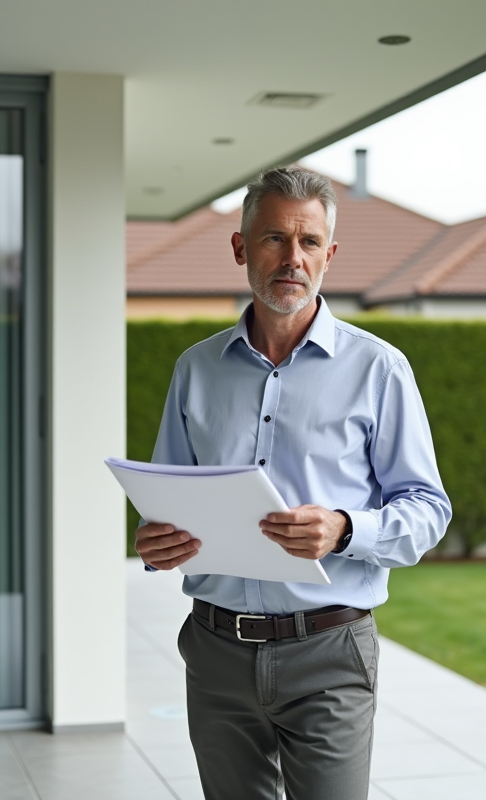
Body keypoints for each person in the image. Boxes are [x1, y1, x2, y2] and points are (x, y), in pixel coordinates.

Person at [134, 166, 451, 800]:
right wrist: (156, 542)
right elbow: (167, 504)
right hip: (216, 649)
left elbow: (427, 511)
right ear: (241, 247)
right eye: (275, 238)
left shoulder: (379, 369)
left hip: (330, 651)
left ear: (329, 255)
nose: (293, 258)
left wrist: (344, 529)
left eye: (309, 243)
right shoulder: (195, 370)